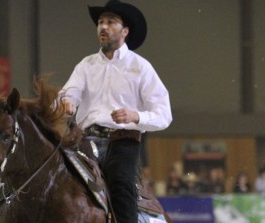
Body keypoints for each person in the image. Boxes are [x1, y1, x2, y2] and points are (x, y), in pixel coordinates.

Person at [60, 1, 172, 222]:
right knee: (56, 178)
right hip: (84, 141)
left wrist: (135, 116)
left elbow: (164, 114)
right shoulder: (86, 65)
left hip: (123, 142)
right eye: (101, 22)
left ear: (125, 31)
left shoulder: (141, 67)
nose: (103, 26)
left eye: (111, 22)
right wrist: (68, 100)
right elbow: (70, 90)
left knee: (121, 186)